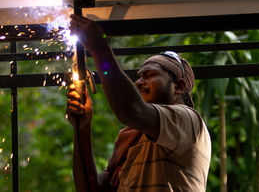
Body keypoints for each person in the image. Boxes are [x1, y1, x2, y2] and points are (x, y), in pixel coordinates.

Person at [66, 14, 211, 192]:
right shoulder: (129, 138)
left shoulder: (189, 121)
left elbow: (130, 109)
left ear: (178, 87)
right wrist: (82, 126)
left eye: (149, 75)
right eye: (138, 77)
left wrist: (99, 47)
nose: (139, 82)